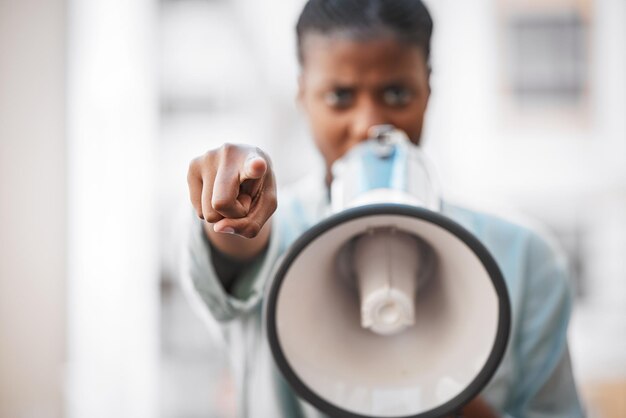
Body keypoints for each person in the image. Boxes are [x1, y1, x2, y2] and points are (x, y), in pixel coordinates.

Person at [184, 0, 585, 417]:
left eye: (396, 93)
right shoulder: (275, 232)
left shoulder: (526, 259)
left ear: (427, 91)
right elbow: (236, 259)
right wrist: (231, 208)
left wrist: (440, 386)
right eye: (340, 96)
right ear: (302, 94)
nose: (369, 123)